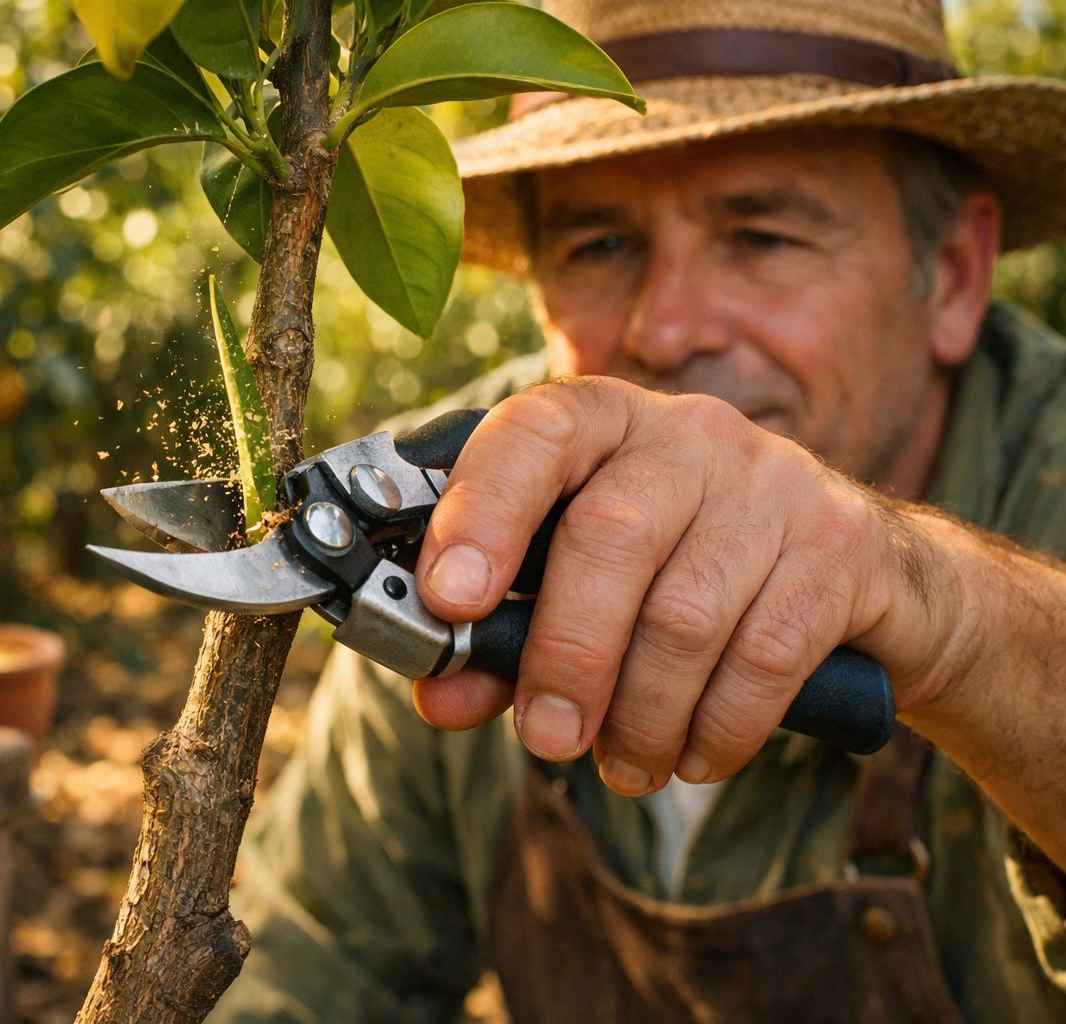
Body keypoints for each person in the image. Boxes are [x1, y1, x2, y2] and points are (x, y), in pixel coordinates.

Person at [208, 0, 1066, 1021]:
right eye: (601, 244)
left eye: (761, 235)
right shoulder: (456, 513)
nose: (665, 327)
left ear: (958, 274)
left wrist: (952, 616)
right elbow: (306, 970)